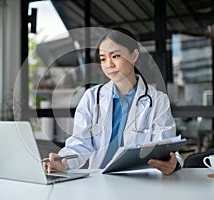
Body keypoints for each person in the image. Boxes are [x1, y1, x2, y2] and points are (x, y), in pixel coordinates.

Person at [43, 27, 183, 175]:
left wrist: (173, 163)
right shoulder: (92, 97)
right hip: (100, 180)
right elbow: (80, 143)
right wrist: (63, 160)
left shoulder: (157, 100)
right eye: (103, 59)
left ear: (134, 55)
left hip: (141, 180)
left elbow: (166, 146)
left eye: (115, 56)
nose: (108, 64)